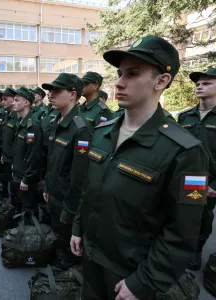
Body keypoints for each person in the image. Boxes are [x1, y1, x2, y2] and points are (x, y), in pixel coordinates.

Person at [70, 36, 209, 299]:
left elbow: (184, 231)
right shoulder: (101, 133)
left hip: (131, 273)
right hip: (91, 257)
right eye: (120, 73)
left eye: (133, 73)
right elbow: (91, 191)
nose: (119, 82)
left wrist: (144, 281)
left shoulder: (186, 151)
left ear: (161, 81)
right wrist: (78, 228)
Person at [41, 73, 93, 270]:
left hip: (67, 200)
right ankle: (61, 259)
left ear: (72, 94)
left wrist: (70, 210)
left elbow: (79, 177)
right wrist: (47, 185)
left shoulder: (81, 128)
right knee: (59, 233)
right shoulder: (58, 121)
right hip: (55, 193)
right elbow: (52, 161)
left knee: (69, 239)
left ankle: (68, 270)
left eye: (56, 91)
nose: (50, 95)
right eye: (50, 91)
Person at [177, 67, 216, 271]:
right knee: (180, 213)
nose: (200, 86)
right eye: (198, 83)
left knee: (203, 217)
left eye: (207, 83)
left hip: (209, 181)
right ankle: (177, 248)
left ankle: (196, 249)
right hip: (184, 176)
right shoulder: (185, 117)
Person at [12, 87, 43, 214]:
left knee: (29, 206)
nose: (13, 103)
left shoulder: (32, 125)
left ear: (26, 103)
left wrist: (27, 178)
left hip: (26, 177)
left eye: (16, 100)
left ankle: (31, 231)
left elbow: (34, 155)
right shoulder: (22, 121)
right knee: (21, 203)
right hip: (19, 172)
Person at [0, 88, 18, 199]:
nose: (3, 102)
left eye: (5, 99)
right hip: (6, 157)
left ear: (14, 99)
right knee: (8, 181)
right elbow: (4, 137)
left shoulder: (18, 117)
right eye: (2, 99)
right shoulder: (7, 114)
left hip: (14, 160)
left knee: (16, 189)